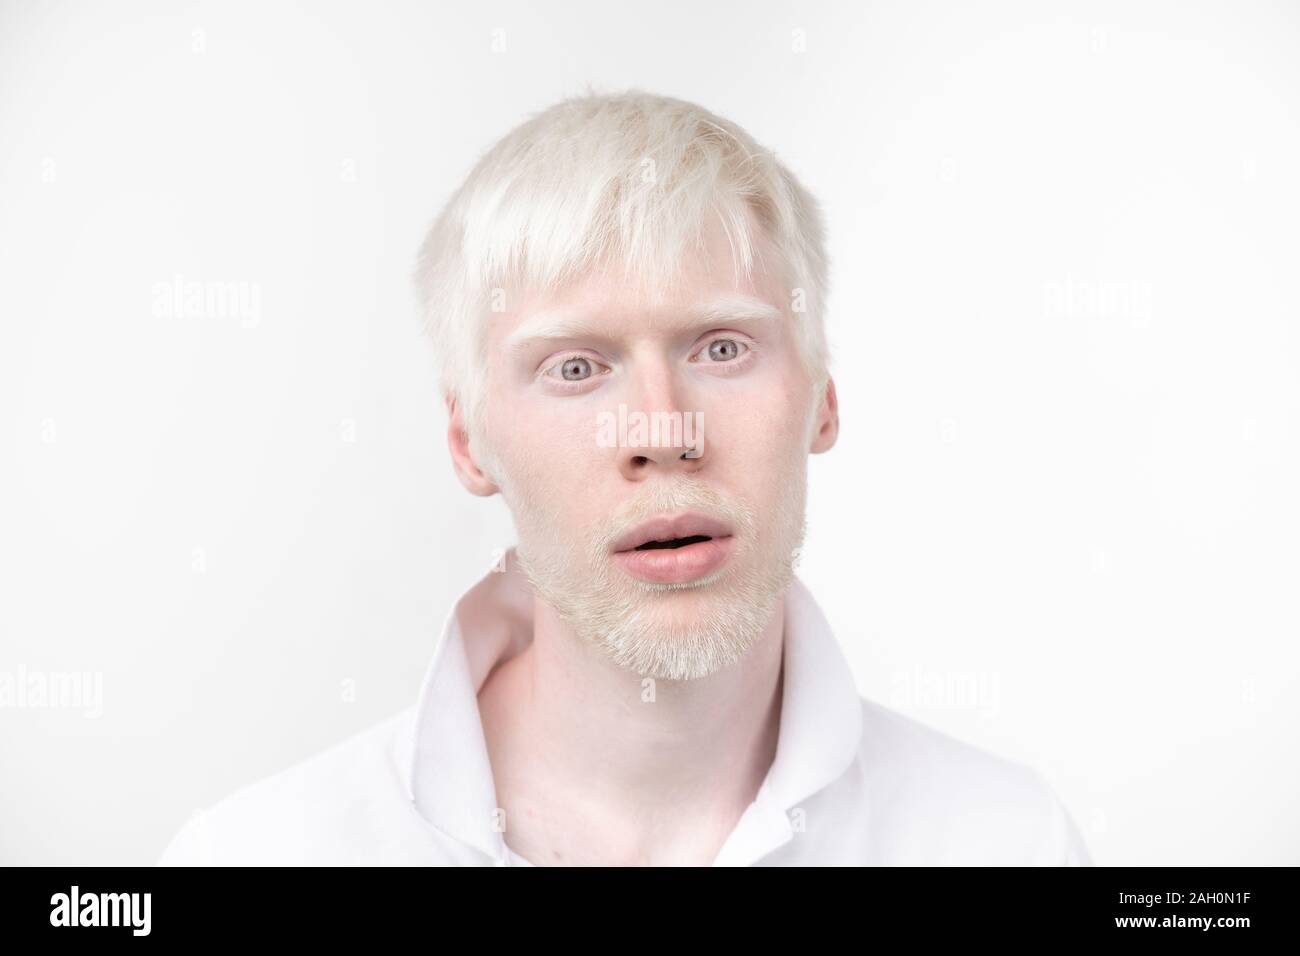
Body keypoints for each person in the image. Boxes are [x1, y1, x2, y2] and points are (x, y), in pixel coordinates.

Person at [157, 89, 1093, 866]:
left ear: (822, 398)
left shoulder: (1009, 843)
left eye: (722, 347)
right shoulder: (257, 856)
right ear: (468, 442)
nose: (663, 429)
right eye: (574, 367)